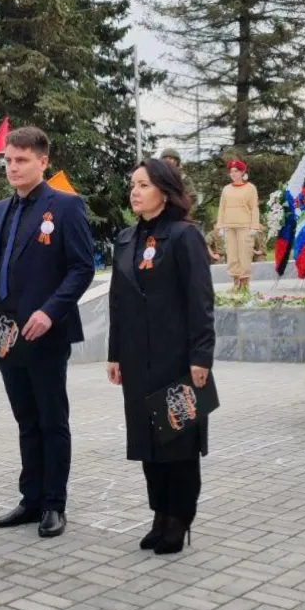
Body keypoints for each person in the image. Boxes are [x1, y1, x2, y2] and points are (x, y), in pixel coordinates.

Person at [0, 127, 95, 538]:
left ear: (43, 161)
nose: (13, 167)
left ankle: (54, 505)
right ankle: (31, 499)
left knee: (51, 419)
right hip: (4, 330)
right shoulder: (1, 209)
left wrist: (50, 312)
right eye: (8, 160)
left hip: (44, 332)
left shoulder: (66, 207)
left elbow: (82, 268)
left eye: (21, 160)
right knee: (25, 419)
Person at [107, 158, 215, 555]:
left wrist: (201, 357)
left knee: (178, 444)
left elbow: (201, 301)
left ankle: (179, 519)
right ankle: (159, 514)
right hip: (137, 360)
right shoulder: (125, 239)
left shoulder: (184, 237)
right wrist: (114, 354)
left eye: (143, 184)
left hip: (176, 359)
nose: (135, 191)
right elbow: (118, 304)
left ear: (164, 191)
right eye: (132, 184)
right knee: (149, 442)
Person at [217, 160, 260, 291]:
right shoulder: (226, 189)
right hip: (229, 227)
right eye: (231, 172)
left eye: (236, 171)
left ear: (242, 172)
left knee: (244, 254)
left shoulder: (250, 188)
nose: (233, 174)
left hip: (245, 226)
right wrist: (221, 226)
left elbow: (254, 208)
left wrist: (254, 226)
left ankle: (245, 284)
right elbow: (222, 208)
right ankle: (236, 283)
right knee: (232, 255)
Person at [161, 148, 199, 225]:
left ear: (176, 161)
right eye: (165, 158)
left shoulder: (184, 178)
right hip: (161, 218)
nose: (168, 160)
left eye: (171, 158)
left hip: (180, 219)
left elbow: (193, 197)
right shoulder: (157, 177)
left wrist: (185, 213)